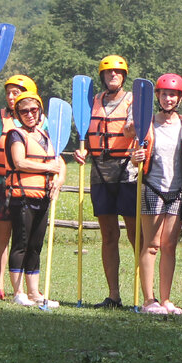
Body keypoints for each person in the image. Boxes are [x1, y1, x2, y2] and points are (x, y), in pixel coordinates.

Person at [72, 55, 136, 309]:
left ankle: (146, 293)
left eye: (118, 73)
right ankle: (114, 295)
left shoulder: (132, 99)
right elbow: (87, 133)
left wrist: (134, 128)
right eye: (108, 73)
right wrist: (83, 150)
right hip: (99, 170)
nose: (113, 76)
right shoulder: (93, 102)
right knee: (108, 234)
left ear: (123, 76)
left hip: (126, 170)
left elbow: (135, 127)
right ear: (102, 76)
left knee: (134, 234)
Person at [133, 74, 182, 314]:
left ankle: (166, 299)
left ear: (180, 98)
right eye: (164, 94)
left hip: (178, 190)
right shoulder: (147, 123)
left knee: (169, 246)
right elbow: (135, 154)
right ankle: (149, 300)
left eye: (172, 94)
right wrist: (135, 158)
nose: (168, 98)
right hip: (152, 186)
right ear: (157, 96)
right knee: (151, 245)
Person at [4, 91, 66, 306]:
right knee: (20, 243)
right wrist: (47, 167)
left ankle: (34, 293)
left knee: (35, 245)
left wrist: (59, 180)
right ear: (18, 114)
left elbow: (60, 162)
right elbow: (19, 162)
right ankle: (18, 293)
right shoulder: (16, 135)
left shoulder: (47, 136)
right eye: (24, 111)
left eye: (33, 110)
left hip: (43, 197)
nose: (29, 114)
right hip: (22, 197)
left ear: (40, 112)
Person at [0, 74, 40, 300]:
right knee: (2, 234)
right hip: (0, 182)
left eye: (16, 92)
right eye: (8, 92)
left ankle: (28, 288)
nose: (10, 96)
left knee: (26, 237)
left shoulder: (38, 119)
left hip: (26, 186)